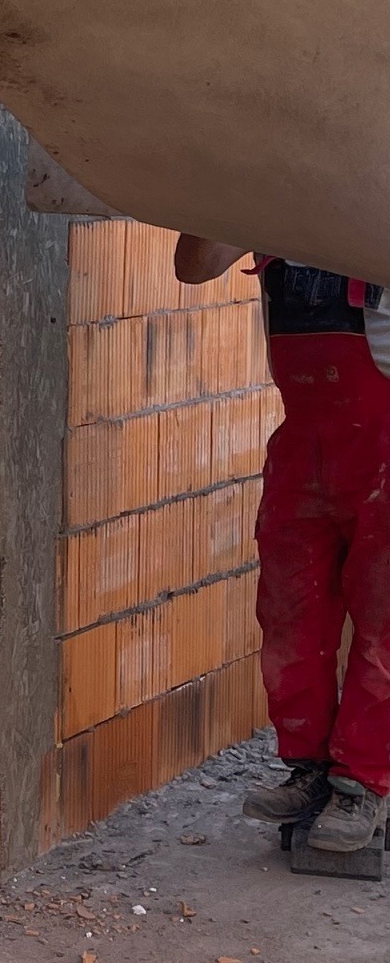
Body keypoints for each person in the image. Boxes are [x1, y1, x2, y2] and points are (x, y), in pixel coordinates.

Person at [174, 239, 390, 853]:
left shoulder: (374, 201)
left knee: (384, 624)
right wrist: (245, 197)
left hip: (384, 447)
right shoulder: (274, 196)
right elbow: (191, 268)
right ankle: (311, 769)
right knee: (291, 617)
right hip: (305, 450)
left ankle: (364, 782)